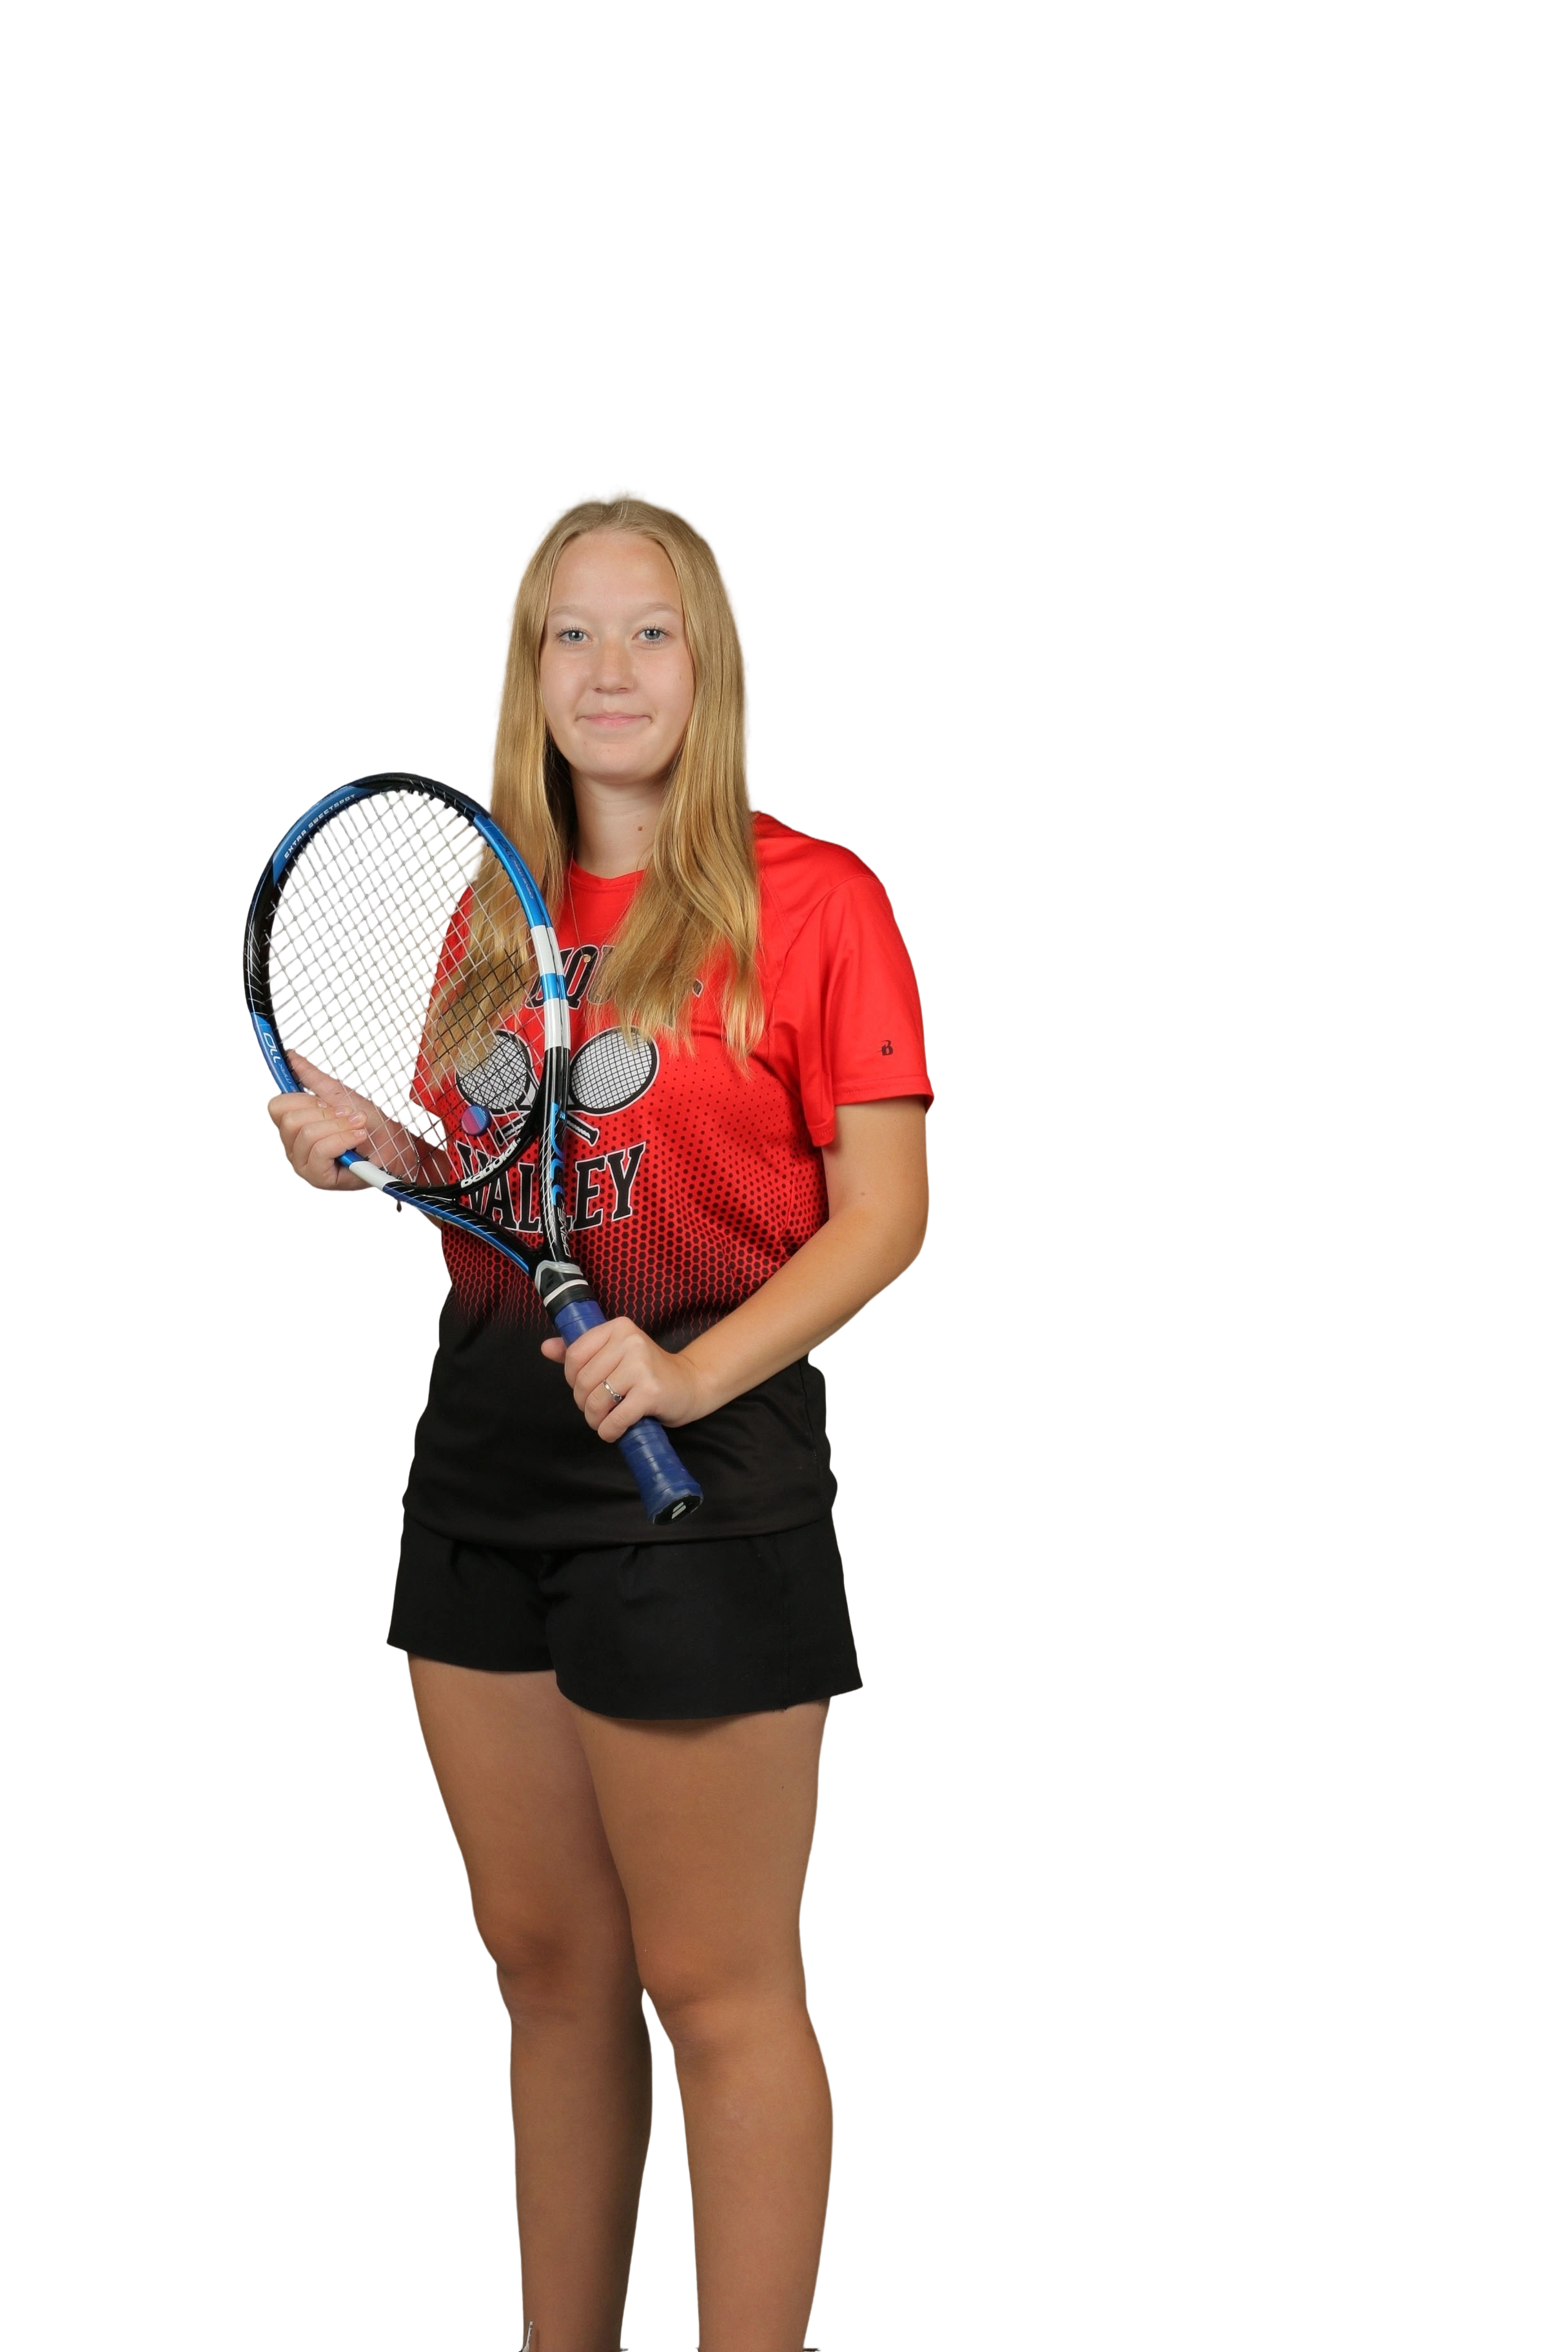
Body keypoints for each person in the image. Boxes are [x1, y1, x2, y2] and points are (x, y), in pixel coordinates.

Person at [264, 484, 934, 2352]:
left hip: (701, 1480)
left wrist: (694, 1376)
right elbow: (479, 1165)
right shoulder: (479, 909)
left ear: (710, 663)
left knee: (717, 1987)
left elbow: (887, 1217)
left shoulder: (821, 901)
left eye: (652, 630)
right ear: (528, 666)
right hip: (483, 1462)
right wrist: (371, 1150)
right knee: (548, 1971)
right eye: (572, 632)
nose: (610, 669)